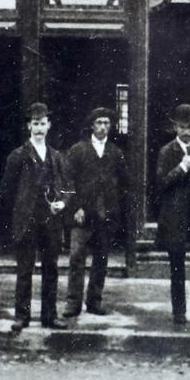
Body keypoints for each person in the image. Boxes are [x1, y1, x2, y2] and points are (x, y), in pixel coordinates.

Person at [0, 102, 68, 333]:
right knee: (25, 269)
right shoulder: (17, 156)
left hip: (50, 220)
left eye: (43, 124)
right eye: (35, 124)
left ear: (49, 126)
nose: (39, 128)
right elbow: (6, 191)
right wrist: (20, 211)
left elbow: (68, 187)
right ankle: (22, 316)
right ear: (29, 126)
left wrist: (62, 202)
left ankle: (50, 316)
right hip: (27, 220)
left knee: (51, 268)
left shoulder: (57, 157)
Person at [63, 107, 127, 318]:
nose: (102, 127)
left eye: (106, 123)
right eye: (99, 123)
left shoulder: (115, 153)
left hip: (105, 214)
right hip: (82, 214)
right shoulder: (78, 150)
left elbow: (124, 182)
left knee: (101, 259)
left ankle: (94, 301)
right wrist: (76, 207)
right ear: (91, 125)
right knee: (76, 258)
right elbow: (68, 181)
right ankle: (73, 303)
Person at [155, 104, 190, 327]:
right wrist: (184, 167)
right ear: (175, 127)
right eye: (182, 127)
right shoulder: (167, 152)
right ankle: (179, 312)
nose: (187, 131)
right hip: (175, 217)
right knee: (178, 267)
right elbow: (161, 183)